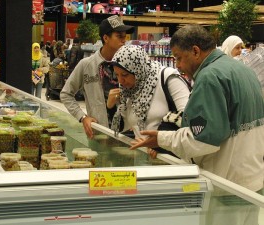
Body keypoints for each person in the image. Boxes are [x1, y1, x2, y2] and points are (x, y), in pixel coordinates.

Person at [130, 24, 264, 225]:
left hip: (226, 186)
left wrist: (161, 138)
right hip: (252, 184)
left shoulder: (210, 77)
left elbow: (204, 140)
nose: (177, 65)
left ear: (195, 51)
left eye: (179, 57)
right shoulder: (243, 70)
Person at [60, 15, 134, 139]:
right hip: (99, 133)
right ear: (106, 38)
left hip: (127, 135)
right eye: (119, 36)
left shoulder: (130, 64)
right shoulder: (86, 65)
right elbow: (66, 94)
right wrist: (82, 117)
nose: (124, 41)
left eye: (125, 37)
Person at [109, 45, 190, 143]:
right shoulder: (129, 90)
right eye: (117, 75)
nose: (120, 81)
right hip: (143, 155)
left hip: (171, 155)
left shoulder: (167, 77)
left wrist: (160, 142)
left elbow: (188, 118)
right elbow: (123, 126)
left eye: (125, 75)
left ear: (138, 69)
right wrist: (111, 107)